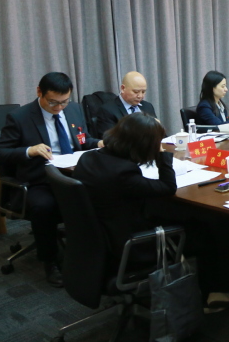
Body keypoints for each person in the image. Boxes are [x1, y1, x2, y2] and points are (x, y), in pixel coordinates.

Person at [0, 72, 102, 287]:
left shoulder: (74, 109)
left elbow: (83, 140)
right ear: (39, 92)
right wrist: (29, 150)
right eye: (53, 102)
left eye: (64, 101)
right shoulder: (20, 117)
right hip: (39, 179)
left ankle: (94, 253)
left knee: (105, 192)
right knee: (44, 207)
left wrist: (98, 143)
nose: (59, 107)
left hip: (72, 174)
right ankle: (49, 260)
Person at [72, 113, 175, 264]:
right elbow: (168, 187)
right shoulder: (124, 173)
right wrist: (162, 155)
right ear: (143, 144)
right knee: (200, 229)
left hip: (93, 237)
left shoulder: (89, 157)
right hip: (128, 244)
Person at [95, 71, 157, 137]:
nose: (140, 96)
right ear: (123, 88)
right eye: (136, 92)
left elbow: (158, 134)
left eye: (143, 92)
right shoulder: (108, 110)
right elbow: (109, 139)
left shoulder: (148, 107)